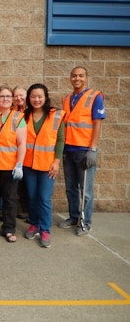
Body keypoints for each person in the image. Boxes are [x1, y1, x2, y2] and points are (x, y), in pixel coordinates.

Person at [58, 66, 106, 236]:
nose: (77, 78)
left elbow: (97, 123)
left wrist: (93, 149)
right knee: (70, 188)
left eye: (80, 76)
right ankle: (73, 217)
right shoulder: (67, 99)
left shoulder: (94, 97)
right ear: (70, 78)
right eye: (74, 76)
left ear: (86, 78)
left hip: (84, 150)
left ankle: (85, 223)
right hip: (68, 150)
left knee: (85, 190)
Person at [23, 84, 65, 248]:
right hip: (28, 164)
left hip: (48, 164)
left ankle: (45, 229)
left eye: (40, 96)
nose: (36, 99)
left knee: (44, 198)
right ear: (29, 98)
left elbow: (60, 139)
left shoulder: (56, 115)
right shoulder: (24, 116)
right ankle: (34, 224)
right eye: (33, 96)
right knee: (32, 197)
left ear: (46, 97)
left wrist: (57, 161)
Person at [0, 85, 26, 243]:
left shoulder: (18, 117)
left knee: (10, 199)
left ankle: (9, 229)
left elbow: (22, 143)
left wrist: (19, 164)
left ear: (12, 100)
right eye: (2, 96)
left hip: (10, 167)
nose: (5, 99)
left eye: (8, 97)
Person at [12, 85, 29, 221]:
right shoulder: (12, 111)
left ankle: (29, 211)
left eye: (21, 95)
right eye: (16, 96)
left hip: (30, 154)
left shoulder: (31, 111)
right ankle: (24, 210)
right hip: (14, 155)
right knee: (19, 186)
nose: (18, 98)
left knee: (28, 186)